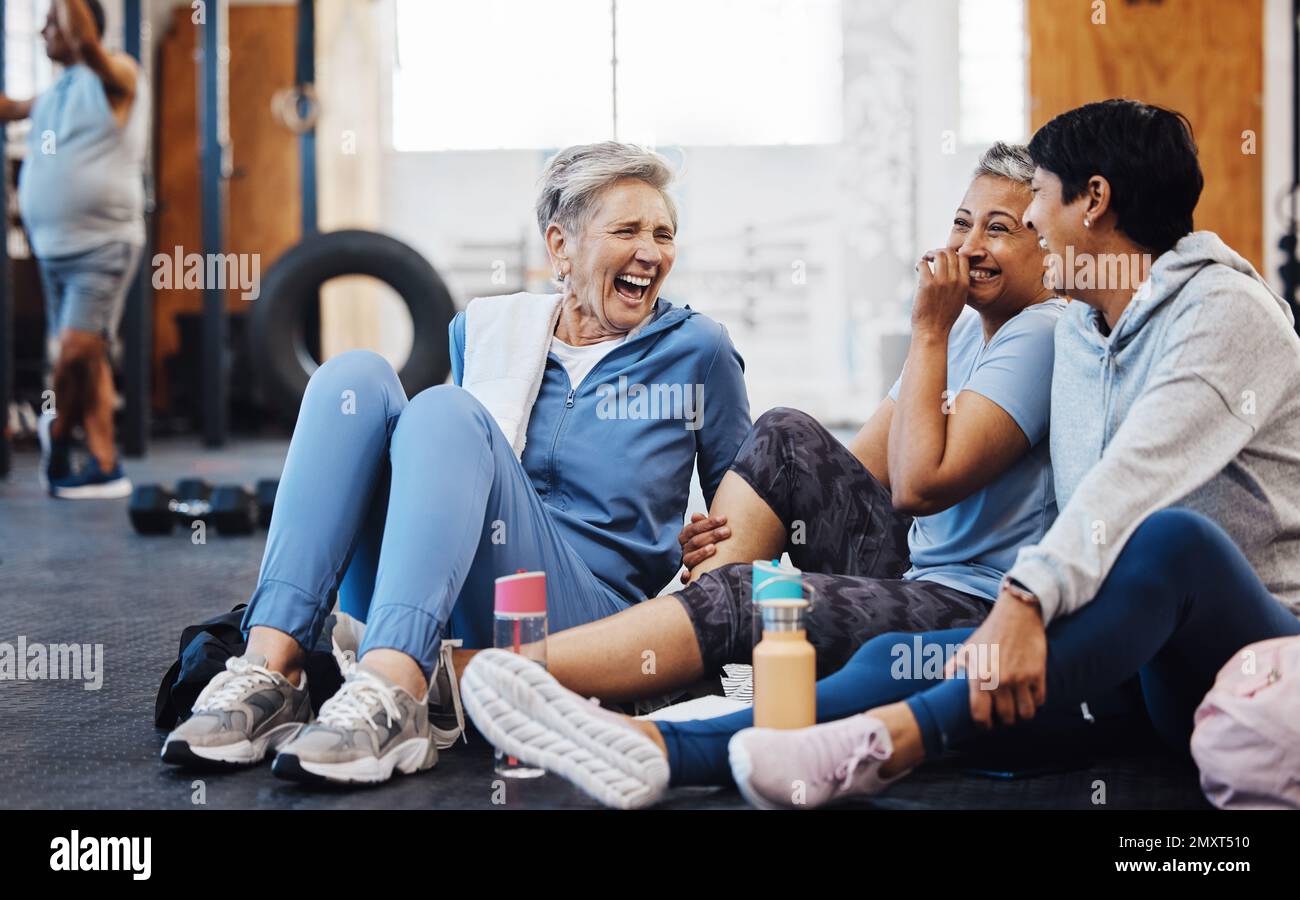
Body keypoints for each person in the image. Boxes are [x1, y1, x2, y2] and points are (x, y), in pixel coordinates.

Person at [459, 100, 1300, 811]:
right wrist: (776, 530)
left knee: (1168, 538)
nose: (1030, 226)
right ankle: (660, 743)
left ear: (1094, 202)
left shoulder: (1223, 315)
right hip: (1124, 651)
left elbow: (1126, 488)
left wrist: (1021, 603)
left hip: (1245, 648)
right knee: (892, 659)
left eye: (1033, 203)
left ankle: (832, 730)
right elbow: (867, 476)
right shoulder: (1086, 326)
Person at [160, 142, 752, 785]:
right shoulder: (486, 333)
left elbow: (749, 514)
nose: (651, 252)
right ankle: (272, 671)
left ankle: (394, 690)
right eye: (627, 230)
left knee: (444, 410)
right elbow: (470, 479)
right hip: (457, 590)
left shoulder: (699, 351)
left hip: (588, 618)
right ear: (561, 246)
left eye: (664, 234)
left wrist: (709, 551)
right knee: (352, 376)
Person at [452, 143, 1067, 707]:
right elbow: (847, 475)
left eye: (1000, 230)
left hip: (977, 599)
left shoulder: (1037, 331)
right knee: (786, 434)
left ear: (1044, 245)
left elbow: (916, 487)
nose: (969, 247)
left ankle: (487, 673)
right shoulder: (960, 331)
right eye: (963, 224)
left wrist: (927, 328)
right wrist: (733, 526)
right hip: (912, 567)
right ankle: (688, 640)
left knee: (747, 597)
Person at [0, 0, 148, 498]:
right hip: (52, 249)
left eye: (53, 19)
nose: (43, 29)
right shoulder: (52, 94)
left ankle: (56, 433)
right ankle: (106, 464)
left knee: (74, 350)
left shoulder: (118, 74)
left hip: (101, 245)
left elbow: (86, 43)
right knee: (90, 357)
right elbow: (7, 107)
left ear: (80, 25)